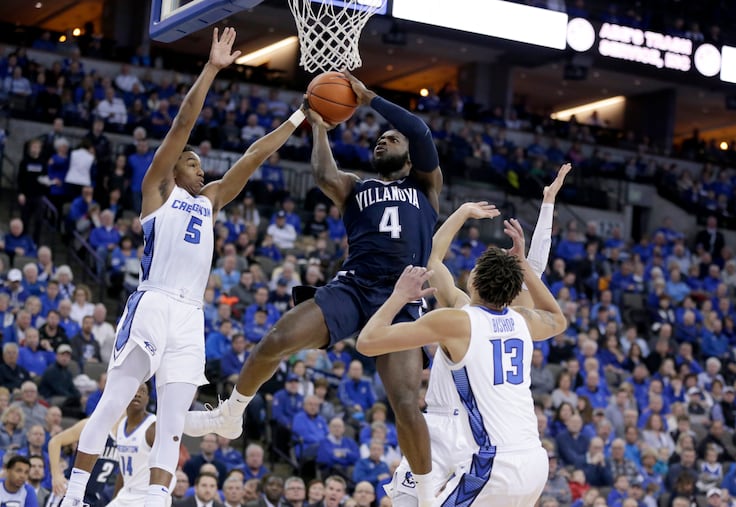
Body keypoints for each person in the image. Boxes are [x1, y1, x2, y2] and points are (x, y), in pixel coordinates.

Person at [61, 28, 306, 507]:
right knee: (115, 400)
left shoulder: (210, 200)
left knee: (173, 418)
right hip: (153, 301)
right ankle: (73, 496)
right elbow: (180, 127)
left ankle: (156, 497)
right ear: (174, 170)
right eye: (192, 163)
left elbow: (254, 156)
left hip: (191, 314)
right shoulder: (158, 191)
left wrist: (301, 113)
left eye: (198, 164)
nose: (199, 168)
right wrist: (212, 69)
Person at [186, 70, 443, 507]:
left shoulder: (426, 187)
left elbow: (418, 129)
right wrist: (319, 129)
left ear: (408, 156)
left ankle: (427, 493)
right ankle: (231, 413)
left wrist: (370, 99)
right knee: (278, 338)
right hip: (354, 287)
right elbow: (324, 174)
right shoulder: (356, 188)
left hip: (400, 302)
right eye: (378, 139)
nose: (383, 140)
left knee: (404, 403)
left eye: (390, 139)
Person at [356, 212, 568, 505]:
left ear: (474, 279)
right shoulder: (522, 319)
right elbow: (558, 318)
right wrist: (524, 267)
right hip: (531, 459)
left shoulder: (455, 322)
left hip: (493, 461)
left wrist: (399, 296)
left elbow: (367, 342)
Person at [108, 383, 170, 507]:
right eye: (134, 390)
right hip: (126, 493)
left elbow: (169, 467)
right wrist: (115, 498)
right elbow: (123, 470)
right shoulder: (121, 426)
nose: (137, 394)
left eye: (142, 391)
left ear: (147, 398)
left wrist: (160, 497)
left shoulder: (154, 427)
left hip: (148, 496)